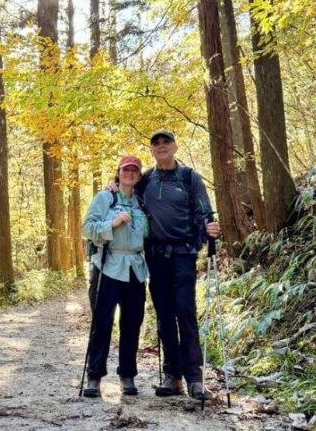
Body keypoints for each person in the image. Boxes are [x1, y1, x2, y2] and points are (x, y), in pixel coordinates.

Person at [137, 130, 221, 399]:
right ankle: (172, 375)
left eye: (166, 142)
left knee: (185, 311)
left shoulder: (189, 177)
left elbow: (204, 211)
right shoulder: (145, 180)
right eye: (156, 144)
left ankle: (195, 377)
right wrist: (111, 187)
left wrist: (209, 230)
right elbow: (125, 193)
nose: (161, 147)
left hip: (183, 253)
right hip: (155, 256)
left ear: (174, 147)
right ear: (151, 150)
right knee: (164, 315)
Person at [81, 155, 149, 398]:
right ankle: (94, 376)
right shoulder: (105, 197)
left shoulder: (142, 202)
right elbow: (87, 229)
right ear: (118, 173)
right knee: (102, 323)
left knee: (132, 323)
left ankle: (127, 375)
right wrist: (113, 222)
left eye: (134, 171)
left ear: (139, 176)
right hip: (108, 266)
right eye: (125, 170)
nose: (130, 174)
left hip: (136, 269)